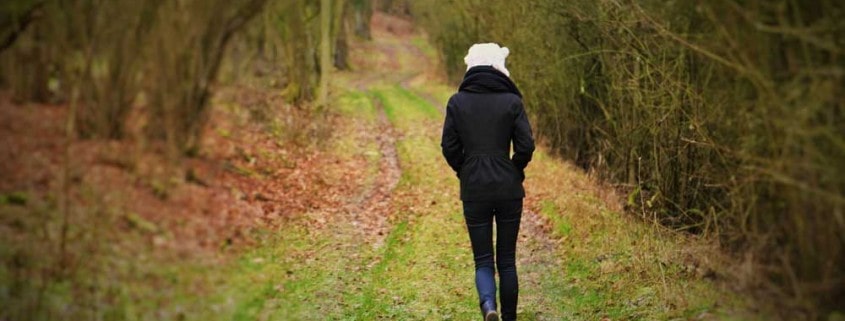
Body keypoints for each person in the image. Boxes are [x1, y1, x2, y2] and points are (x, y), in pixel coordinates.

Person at [440, 43, 535, 321]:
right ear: (497, 66)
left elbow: (449, 146)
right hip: (508, 189)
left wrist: (465, 170)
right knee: (506, 260)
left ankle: (488, 307)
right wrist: (514, 169)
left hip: (474, 189)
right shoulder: (512, 102)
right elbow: (526, 146)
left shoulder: (457, 102)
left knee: (483, 260)